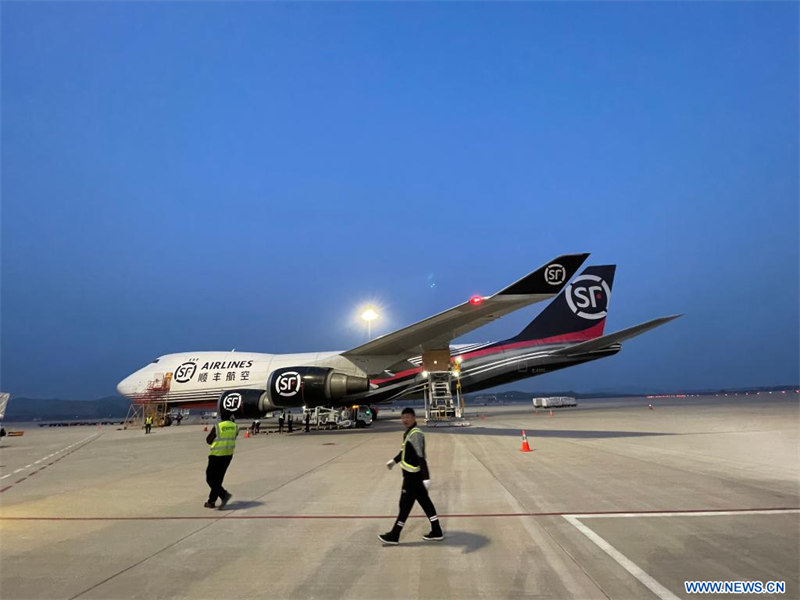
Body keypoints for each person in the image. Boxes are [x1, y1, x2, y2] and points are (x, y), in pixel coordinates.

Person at [379, 407, 443, 544]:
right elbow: (404, 452)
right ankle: (437, 530)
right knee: (425, 503)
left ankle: (395, 535)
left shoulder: (415, 434)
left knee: (405, 505)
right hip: (412, 476)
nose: (405, 420)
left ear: (414, 418)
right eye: (403, 417)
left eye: (407, 417)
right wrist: (394, 461)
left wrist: (426, 477)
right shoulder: (409, 433)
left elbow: (421, 457)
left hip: (413, 477)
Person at [204, 410, 238, 509]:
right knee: (218, 479)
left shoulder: (218, 426)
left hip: (216, 455)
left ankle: (224, 495)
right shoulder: (235, 426)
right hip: (228, 455)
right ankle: (211, 501)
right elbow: (234, 437)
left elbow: (208, 440)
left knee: (210, 478)